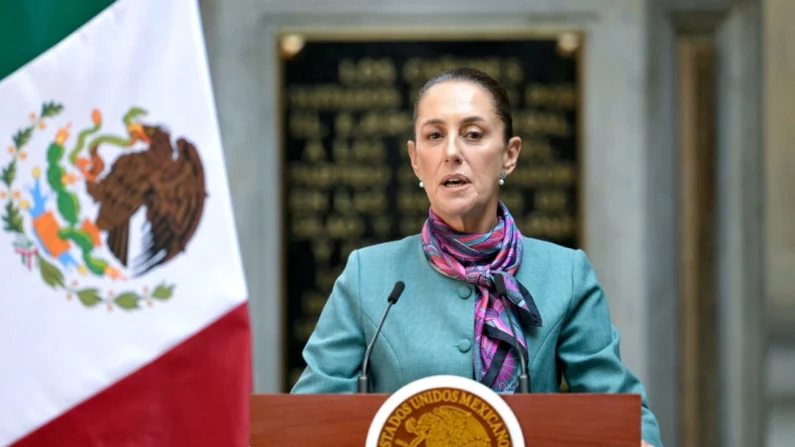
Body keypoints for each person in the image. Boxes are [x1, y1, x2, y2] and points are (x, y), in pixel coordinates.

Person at [290, 67, 662, 447]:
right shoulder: (369, 274)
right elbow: (307, 419)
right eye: (434, 136)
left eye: (473, 134)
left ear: (509, 155)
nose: (452, 152)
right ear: (416, 159)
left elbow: (620, 414)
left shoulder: (565, 273)